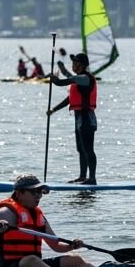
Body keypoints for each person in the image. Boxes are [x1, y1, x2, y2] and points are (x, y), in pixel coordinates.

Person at [0, 174, 94, 267]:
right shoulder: (6, 212)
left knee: (75, 260)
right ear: (19, 193)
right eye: (34, 192)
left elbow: (56, 246)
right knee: (33, 260)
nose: (38, 196)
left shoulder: (39, 216)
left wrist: (72, 246)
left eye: (40, 191)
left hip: (33, 266)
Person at [48, 51, 98, 184]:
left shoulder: (85, 78)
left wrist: (55, 80)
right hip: (79, 119)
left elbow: (61, 82)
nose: (73, 65)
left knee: (88, 149)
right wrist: (53, 110)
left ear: (82, 65)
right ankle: (83, 176)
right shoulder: (78, 79)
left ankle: (92, 178)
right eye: (73, 63)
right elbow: (70, 98)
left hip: (87, 117)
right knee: (80, 149)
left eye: (75, 63)